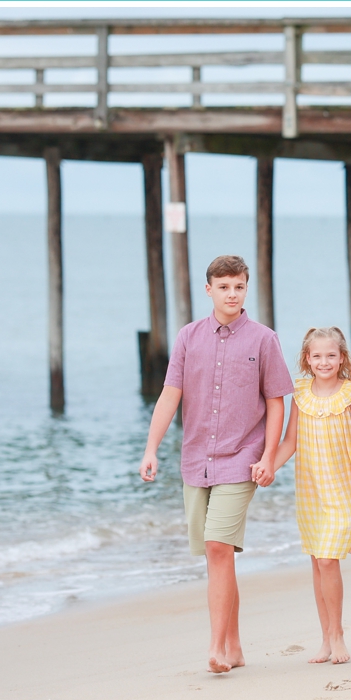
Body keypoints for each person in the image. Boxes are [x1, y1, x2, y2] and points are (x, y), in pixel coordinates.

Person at [139, 254, 293, 673]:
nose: (232, 294)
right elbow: (170, 394)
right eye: (224, 287)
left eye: (239, 287)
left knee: (218, 547)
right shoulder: (188, 337)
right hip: (195, 460)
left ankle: (215, 648)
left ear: (247, 289)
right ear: (208, 289)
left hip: (242, 459)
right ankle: (236, 647)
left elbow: (277, 403)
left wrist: (268, 458)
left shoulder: (264, 339)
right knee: (217, 557)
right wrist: (152, 448)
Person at [273, 326, 351, 665]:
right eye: (317, 356)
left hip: (343, 489)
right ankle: (325, 639)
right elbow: (290, 442)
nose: (324, 361)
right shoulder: (300, 393)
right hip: (311, 490)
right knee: (318, 562)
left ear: (342, 357)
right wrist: (267, 466)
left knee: (329, 559)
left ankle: (338, 635)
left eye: (331, 355)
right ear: (306, 359)